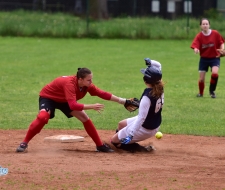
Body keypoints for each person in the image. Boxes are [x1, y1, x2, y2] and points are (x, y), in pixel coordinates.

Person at [16, 67, 129, 153]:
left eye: (91, 79)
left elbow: (102, 94)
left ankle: (99, 146)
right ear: (80, 79)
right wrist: (92, 106)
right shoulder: (69, 84)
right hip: (49, 97)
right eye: (88, 80)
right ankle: (24, 143)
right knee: (42, 118)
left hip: (65, 100)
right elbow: (74, 105)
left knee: (84, 118)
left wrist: (124, 101)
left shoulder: (86, 85)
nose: (91, 82)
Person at [111, 59, 164, 153]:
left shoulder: (146, 98)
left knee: (113, 141)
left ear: (145, 80)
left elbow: (141, 119)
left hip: (146, 128)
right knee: (121, 124)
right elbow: (159, 66)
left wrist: (131, 135)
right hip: (153, 121)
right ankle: (122, 142)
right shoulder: (159, 86)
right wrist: (150, 62)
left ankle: (141, 149)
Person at [190, 18, 224, 98]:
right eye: (203, 24)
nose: (205, 25)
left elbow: (221, 42)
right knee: (201, 79)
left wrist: (223, 49)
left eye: (206, 24)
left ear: (209, 25)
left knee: (215, 73)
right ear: (200, 26)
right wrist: (196, 49)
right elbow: (195, 45)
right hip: (204, 59)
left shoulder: (215, 33)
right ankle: (201, 93)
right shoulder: (199, 36)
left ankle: (212, 91)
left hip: (214, 57)